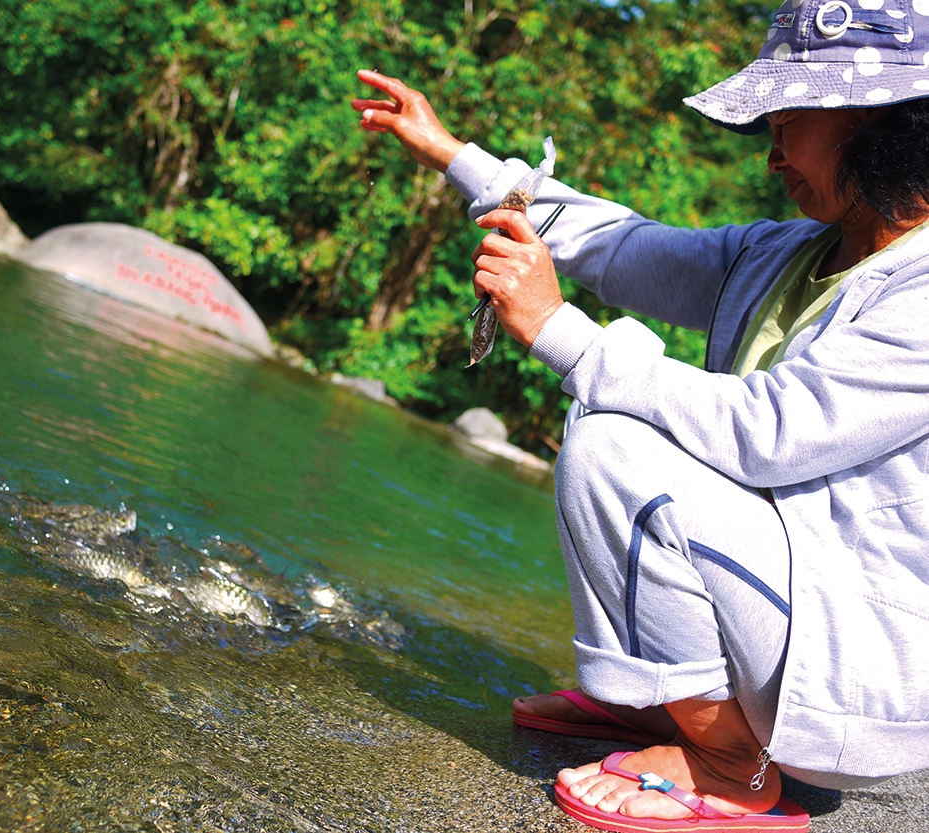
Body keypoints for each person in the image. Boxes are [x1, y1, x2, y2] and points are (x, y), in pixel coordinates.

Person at [352, 0, 929, 830]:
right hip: (784, 629)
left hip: (847, 678)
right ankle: (677, 708)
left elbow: (774, 430)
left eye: (788, 122)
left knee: (616, 441)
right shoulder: (788, 252)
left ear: (877, 125)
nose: (772, 156)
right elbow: (623, 248)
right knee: (616, 427)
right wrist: (453, 154)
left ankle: (729, 761)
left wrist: (560, 334)